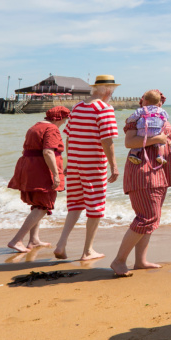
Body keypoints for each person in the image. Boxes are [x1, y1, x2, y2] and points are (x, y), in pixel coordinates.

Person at [110, 89, 171, 277]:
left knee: (152, 218)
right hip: (143, 170)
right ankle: (119, 261)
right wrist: (158, 139)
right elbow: (130, 142)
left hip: (160, 171)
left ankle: (140, 261)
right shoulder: (137, 119)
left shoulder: (161, 117)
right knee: (146, 217)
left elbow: (167, 138)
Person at [54, 75, 120, 260]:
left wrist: (69, 162)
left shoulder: (77, 107)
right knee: (95, 206)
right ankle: (87, 251)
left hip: (75, 162)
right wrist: (113, 165)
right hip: (93, 164)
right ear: (107, 90)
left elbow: (68, 136)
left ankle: (61, 244)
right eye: (112, 90)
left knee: (75, 204)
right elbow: (107, 140)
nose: (112, 94)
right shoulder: (104, 109)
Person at [6, 106, 70, 252]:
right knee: (43, 205)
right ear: (58, 118)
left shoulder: (35, 127)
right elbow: (48, 152)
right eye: (65, 119)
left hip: (29, 168)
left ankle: (33, 240)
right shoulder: (52, 129)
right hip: (41, 170)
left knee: (37, 204)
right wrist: (55, 174)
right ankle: (16, 240)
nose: (65, 123)